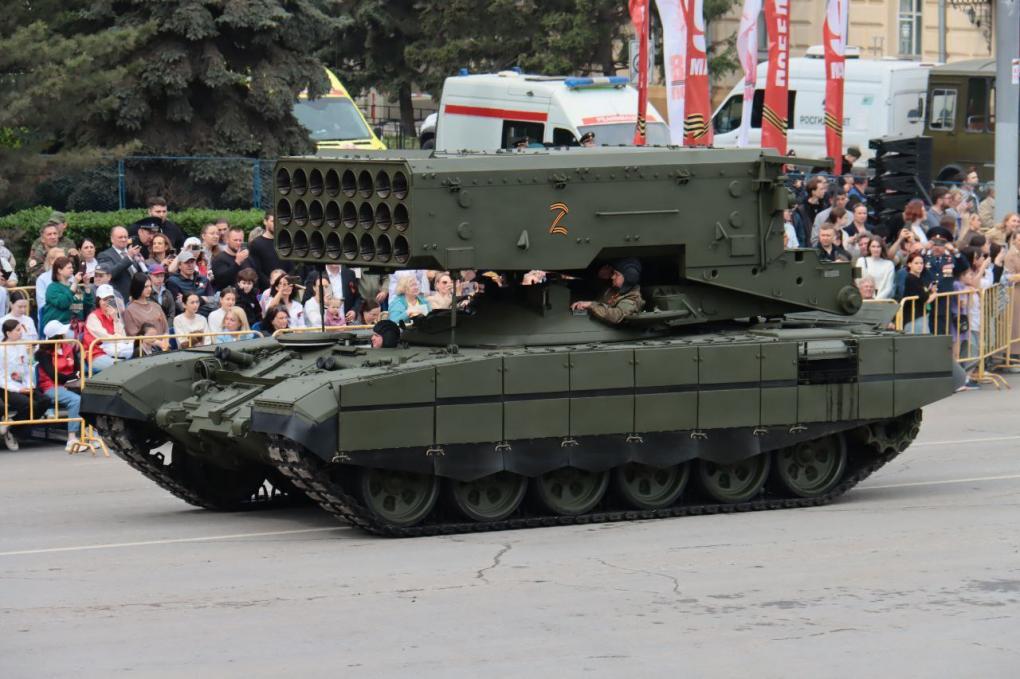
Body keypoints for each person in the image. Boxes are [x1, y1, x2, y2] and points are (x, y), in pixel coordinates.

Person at [0, 319, 52, 450]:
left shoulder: (22, 346)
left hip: (24, 384)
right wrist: (18, 389)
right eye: (17, 330)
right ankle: (14, 431)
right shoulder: (1, 349)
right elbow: (1, 377)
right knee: (29, 404)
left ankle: (13, 427)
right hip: (7, 387)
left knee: (45, 401)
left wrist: (29, 385)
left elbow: (26, 368)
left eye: (21, 329)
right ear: (8, 333)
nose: (20, 332)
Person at [37, 320, 83, 452]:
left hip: (70, 384)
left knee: (92, 393)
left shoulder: (69, 347)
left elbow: (78, 370)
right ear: (56, 336)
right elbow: (53, 375)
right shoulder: (43, 353)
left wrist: (71, 380)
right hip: (50, 387)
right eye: (63, 333)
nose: (66, 334)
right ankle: (72, 438)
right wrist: (71, 379)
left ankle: (90, 432)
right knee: (76, 400)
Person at [570, 258, 644, 325]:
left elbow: (618, 315)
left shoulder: (632, 298)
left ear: (629, 278)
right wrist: (600, 274)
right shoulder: (614, 287)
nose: (612, 277)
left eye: (616, 274)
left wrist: (591, 305)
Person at [84, 284, 132, 373]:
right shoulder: (93, 317)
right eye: (105, 299)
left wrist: (116, 320)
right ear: (98, 300)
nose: (108, 302)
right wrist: (118, 337)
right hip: (96, 355)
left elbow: (123, 337)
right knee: (123, 368)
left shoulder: (113, 315)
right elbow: (105, 337)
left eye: (110, 299)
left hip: (115, 352)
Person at [97, 226, 147, 301]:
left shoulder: (133, 252)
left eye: (125, 237)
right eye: (120, 237)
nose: (123, 239)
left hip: (137, 297)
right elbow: (110, 273)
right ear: (112, 239)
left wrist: (141, 262)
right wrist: (129, 257)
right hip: (120, 298)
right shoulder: (105, 255)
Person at [42, 256, 91, 330]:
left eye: (72, 267)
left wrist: (87, 285)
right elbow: (63, 303)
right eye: (69, 268)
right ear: (59, 270)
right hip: (57, 327)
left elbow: (86, 305)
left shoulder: (75, 287)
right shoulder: (52, 288)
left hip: (76, 326)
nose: (72, 270)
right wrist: (75, 283)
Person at [247, 211, 291, 288]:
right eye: (273, 221)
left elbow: (291, 266)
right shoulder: (256, 244)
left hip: (286, 287)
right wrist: (272, 284)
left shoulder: (286, 242)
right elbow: (257, 270)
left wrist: (286, 282)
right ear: (265, 221)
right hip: (266, 288)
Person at [123, 272, 168, 337]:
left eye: (150, 286)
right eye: (146, 287)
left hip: (163, 342)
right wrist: (155, 342)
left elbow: (166, 329)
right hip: (145, 343)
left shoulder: (156, 306)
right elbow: (133, 334)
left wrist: (165, 339)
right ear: (138, 287)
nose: (149, 289)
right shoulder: (129, 310)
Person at [900, 252, 934, 335]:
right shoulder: (911, 278)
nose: (919, 265)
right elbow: (925, 299)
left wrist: (929, 291)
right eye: (916, 263)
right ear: (909, 264)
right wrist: (934, 294)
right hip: (914, 317)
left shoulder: (917, 278)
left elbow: (922, 294)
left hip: (918, 316)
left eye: (921, 263)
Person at [211, 226, 251, 291]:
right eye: (235, 240)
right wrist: (237, 263)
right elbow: (222, 282)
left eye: (240, 240)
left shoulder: (247, 257)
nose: (238, 243)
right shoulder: (219, 259)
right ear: (227, 240)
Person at [35, 247, 65, 311]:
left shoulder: (71, 277)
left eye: (65, 259)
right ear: (52, 261)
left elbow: (76, 301)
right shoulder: (42, 279)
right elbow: (42, 303)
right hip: (50, 314)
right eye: (60, 259)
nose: (64, 262)